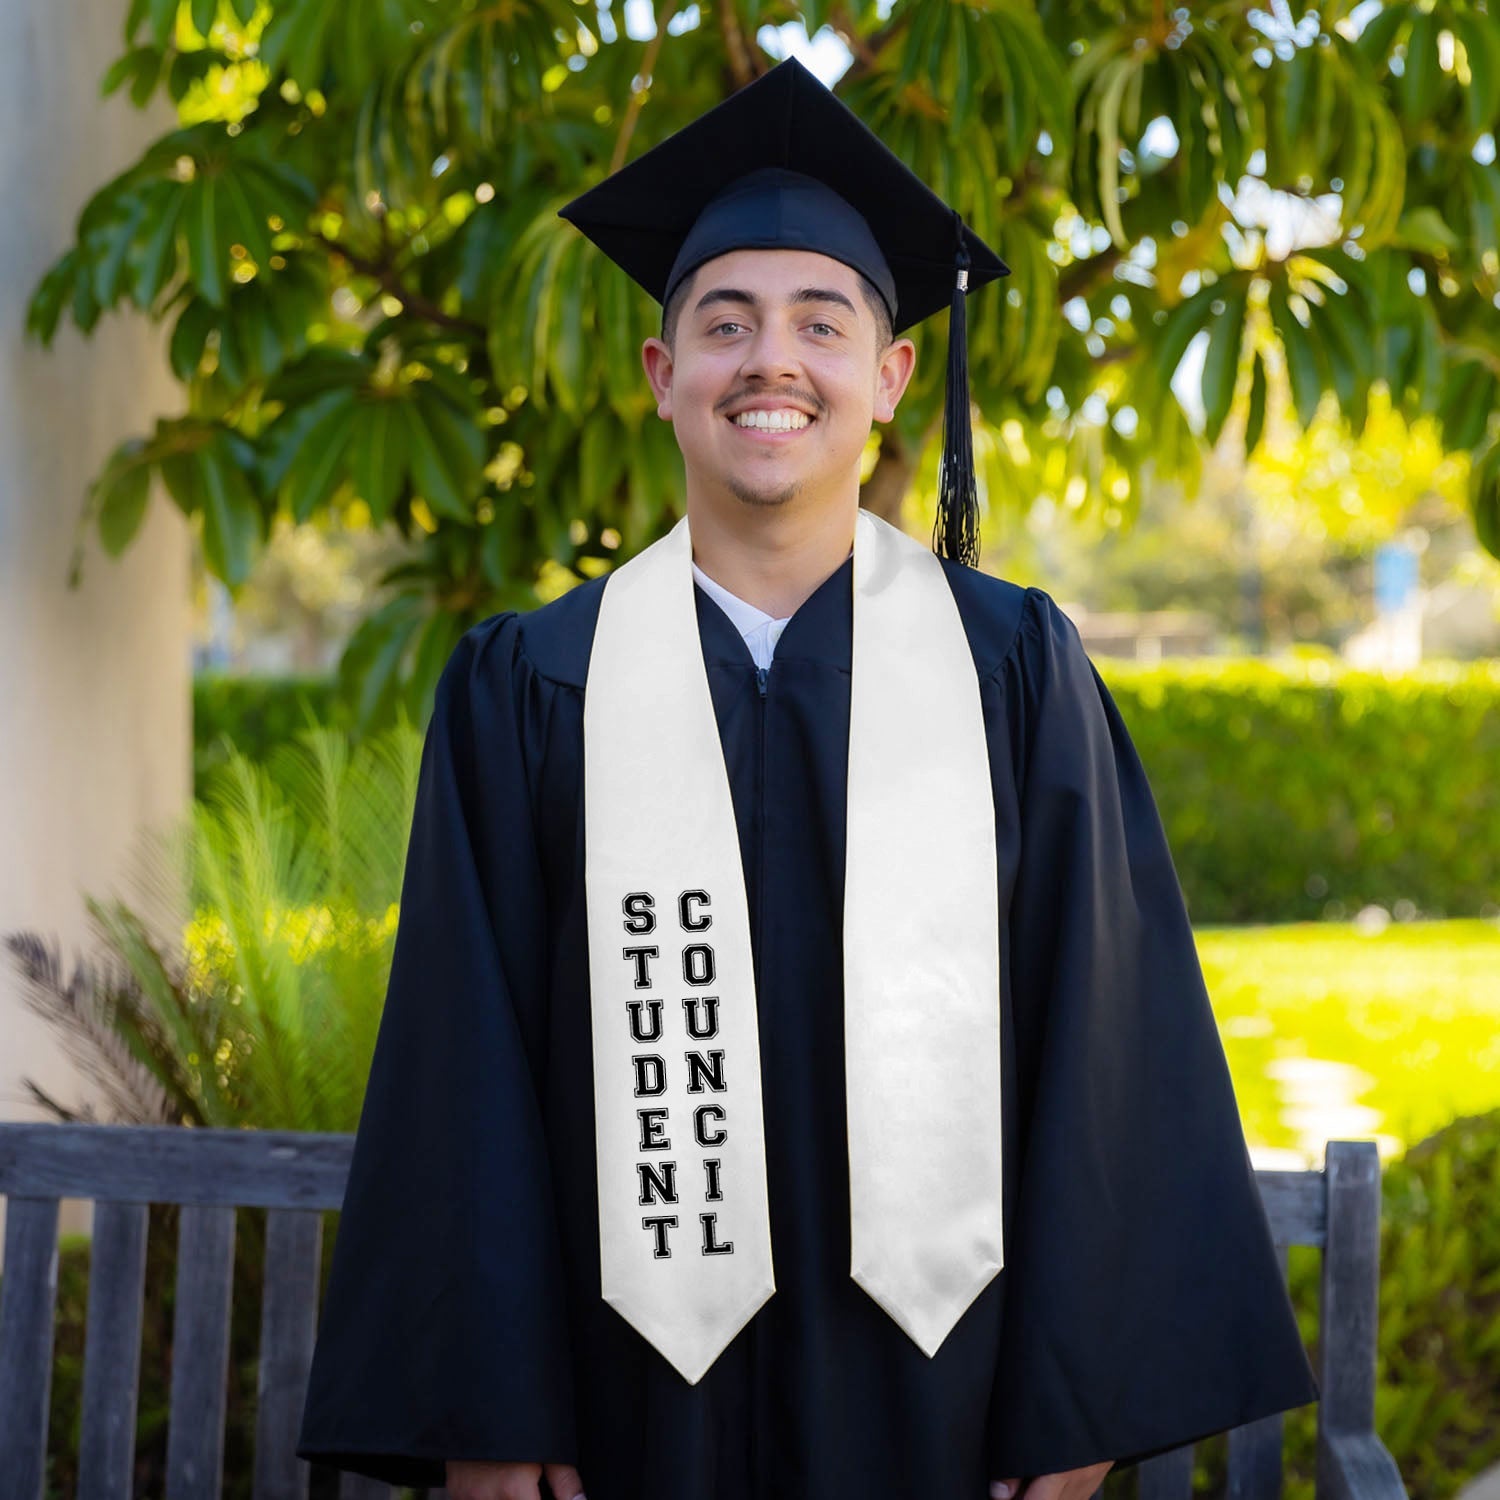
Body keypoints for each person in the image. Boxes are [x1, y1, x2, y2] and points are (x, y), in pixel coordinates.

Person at [296, 56, 1319, 1500]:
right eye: (724, 325)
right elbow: (468, 1070)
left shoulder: (1011, 672)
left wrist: (1075, 1403)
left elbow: (1104, 1037)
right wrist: (491, 1414)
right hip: (621, 1402)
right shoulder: (535, 686)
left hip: (943, 1399)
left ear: (892, 378)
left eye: (821, 323)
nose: (770, 361)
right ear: (663, 380)